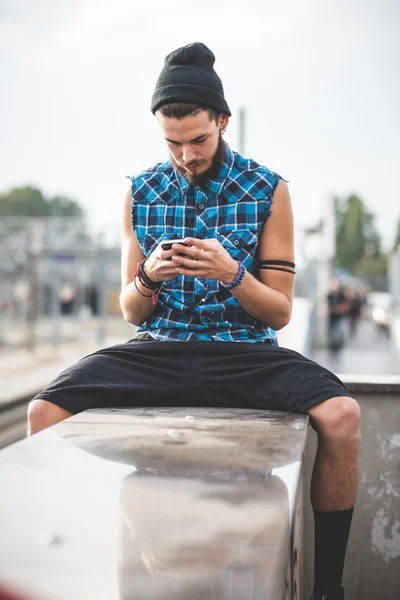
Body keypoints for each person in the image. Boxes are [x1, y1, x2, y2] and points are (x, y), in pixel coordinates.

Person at [27, 42, 360, 600]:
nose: (186, 154)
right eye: (172, 142)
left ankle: (329, 587)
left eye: (198, 140)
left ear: (223, 122)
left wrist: (233, 275)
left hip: (245, 350)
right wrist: (150, 277)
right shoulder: (140, 191)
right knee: (42, 411)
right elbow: (130, 311)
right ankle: (59, 570)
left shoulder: (269, 190)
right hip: (161, 347)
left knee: (343, 416)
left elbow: (280, 310)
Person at [326, 279, 348, 353]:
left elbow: (346, 304)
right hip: (331, 316)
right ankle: (332, 347)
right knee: (331, 332)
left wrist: (339, 308)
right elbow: (325, 303)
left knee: (339, 333)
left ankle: (338, 347)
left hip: (339, 317)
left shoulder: (341, 295)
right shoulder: (330, 295)